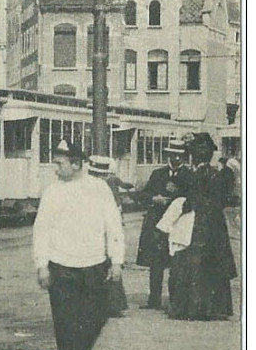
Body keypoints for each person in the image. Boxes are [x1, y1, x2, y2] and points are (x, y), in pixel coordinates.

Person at [32, 140, 124, 350]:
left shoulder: (99, 189)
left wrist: (116, 261)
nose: (56, 169)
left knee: (96, 317)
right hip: (60, 266)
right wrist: (42, 265)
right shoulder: (52, 192)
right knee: (64, 322)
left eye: (60, 164)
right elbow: (41, 230)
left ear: (76, 164)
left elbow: (113, 226)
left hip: (94, 264)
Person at [165, 133, 237, 321]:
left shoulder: (196, 174)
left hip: (197, 224)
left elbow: (192, 200)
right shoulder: (216, 174)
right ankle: (211, 308)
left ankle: (193, 308)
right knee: (211, 264)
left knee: (192, 263)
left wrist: (182, 205)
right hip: (214, 225)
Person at [136, 138, 191, 309]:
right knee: (156, 263)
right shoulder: (158, 174)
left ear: (184, 157)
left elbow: (192, 199)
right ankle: (154, 300)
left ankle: (175, 301)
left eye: (179, 156)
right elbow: (143, 195)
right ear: (168, 155)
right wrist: (154, 199)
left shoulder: (189, 176)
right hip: (157, 224)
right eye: (173, 155)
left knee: (177, 263)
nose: (175, 159)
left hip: (178, 225)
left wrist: (177, 198)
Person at [87, 155, 130, 317]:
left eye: (99, 175)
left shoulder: (107, 188)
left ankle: (112, 304)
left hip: (105, 233)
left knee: (107, 266)